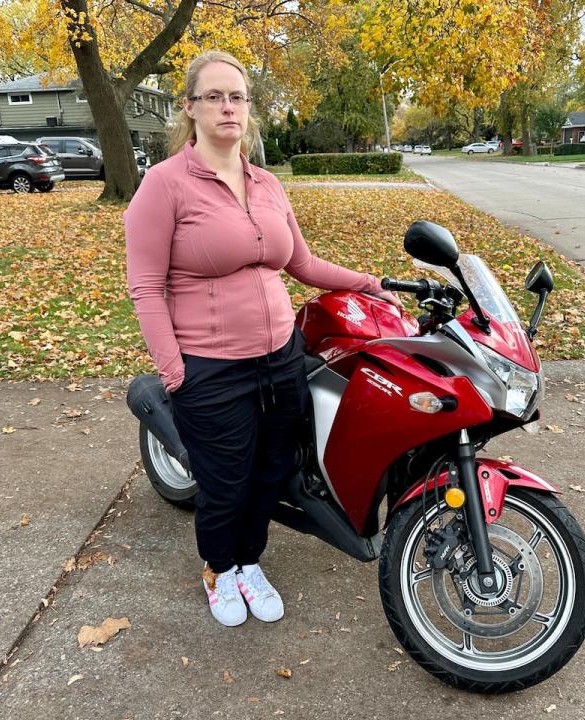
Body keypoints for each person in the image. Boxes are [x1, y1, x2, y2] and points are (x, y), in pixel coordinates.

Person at [124, 50, 400, 628]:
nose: (228, 107)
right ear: (191, 108)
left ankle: (249, 563)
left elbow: (301, 262)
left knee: (272, 471)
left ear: (248, 110)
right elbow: (147, 290)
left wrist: (369, 282)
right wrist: (175, 373)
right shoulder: (164, 185)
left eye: (237, 97)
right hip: (209, 367)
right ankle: (218, 570)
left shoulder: (267, 183)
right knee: (224, 483)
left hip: (280, 358)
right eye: (215, 96)